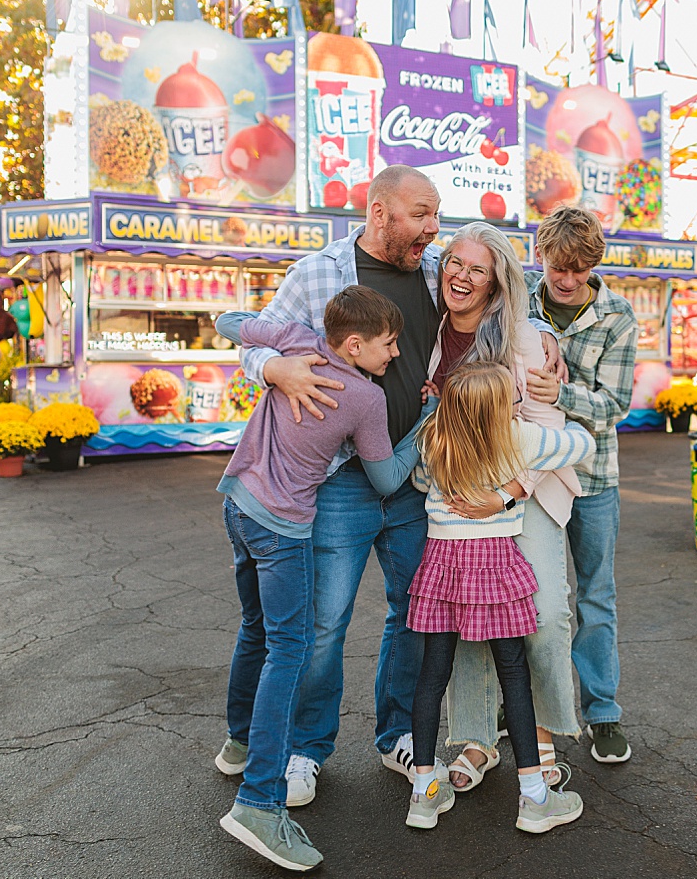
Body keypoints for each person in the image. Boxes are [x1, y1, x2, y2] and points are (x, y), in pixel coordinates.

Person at [239, 165, 564, 807]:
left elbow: (506, 289)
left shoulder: (436, 266)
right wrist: (275, 368)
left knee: (416, 614)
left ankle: (399, 737)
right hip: (342, 480)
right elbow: (254, 339)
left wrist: (547, 338)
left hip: (418, 481)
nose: (432, 228)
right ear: (379, 212)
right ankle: (307, 750)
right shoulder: (317, 274)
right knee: (324, 623)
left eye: (435, 215)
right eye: (420, 214)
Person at [211, 286, 432, 871]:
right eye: (389, 344)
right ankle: (258, 802)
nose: (395, 355)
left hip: (238, 504)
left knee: (257, 628)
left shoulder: (298, 342)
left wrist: (276, 365)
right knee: (291, 649)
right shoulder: (365, 397)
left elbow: (229, 321)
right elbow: (387, 480)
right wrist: (427, 420)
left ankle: (238, 743)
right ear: (354, 344)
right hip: (282, 526)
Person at [420, 223, 584, 791]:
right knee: (469, 614)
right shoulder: (432, 327)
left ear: (495, 283)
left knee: (544, 612)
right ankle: (476, 736)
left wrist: (509, 492)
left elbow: (548, 425)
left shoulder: (523, 338)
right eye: (455, 263)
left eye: (477, 270)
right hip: (460, 492)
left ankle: (539, 729)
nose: (462, 276)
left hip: (524, 484)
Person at [404, 362, 594, 834]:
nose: (519, 401)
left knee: (432, 676)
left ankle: (423, 795)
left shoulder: (434, 438)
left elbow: (422, 483)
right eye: (513, 397)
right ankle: (534, 799)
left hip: (442, 565)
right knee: (514, 675)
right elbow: (583, 443)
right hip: (494, 565)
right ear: (497, 410)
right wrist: (517, 482)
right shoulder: (518, 438)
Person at [523, 206, 638, 763]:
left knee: (595, 595)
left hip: (593, 478)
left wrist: (561, 395)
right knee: (527, 596)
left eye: (579, 270)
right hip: (527, 474)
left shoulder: (618, 315)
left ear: (594, 265)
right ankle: (520, 708)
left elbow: (615, 405)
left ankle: (602, 712)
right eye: (557, 267)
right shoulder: (521, 296)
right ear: (540, 255)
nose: (566, 280)